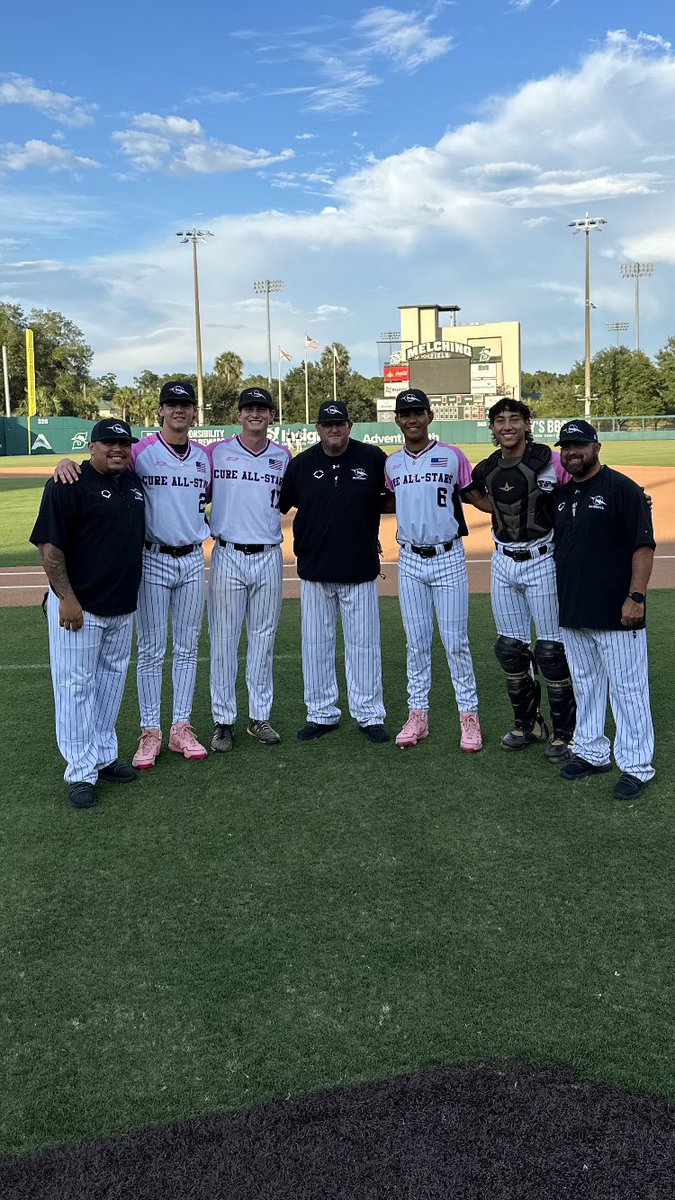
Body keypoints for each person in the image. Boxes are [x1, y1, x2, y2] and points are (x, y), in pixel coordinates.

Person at [53, 380, 212, 768]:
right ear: (160, 410)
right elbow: (101, 462)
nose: (179, 410)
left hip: (192, 558)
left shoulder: (205, 457)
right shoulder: (140, 450)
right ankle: (150, 732)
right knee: (152, 650)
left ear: (194, 412)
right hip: (153, 557)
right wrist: (64, 462)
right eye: (171, 404)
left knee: (188, 648)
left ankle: (181, 727)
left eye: (185, 404)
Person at [30, 419, 146, 808]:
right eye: (109, 443)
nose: (117, 449)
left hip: (121, 605)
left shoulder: (132, 483)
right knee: (75, 688)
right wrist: (65, 596)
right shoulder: (67, 483)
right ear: (91, 447)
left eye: (123, 444)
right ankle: (80, 773)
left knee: (110, 686)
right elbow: (49, 546)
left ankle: (102, 755)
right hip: (80, 606)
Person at [462, 399, 575, 761]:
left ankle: (566, 732)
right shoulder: (489, 466)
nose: (507, 425)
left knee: (552, 651)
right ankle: (528, 723)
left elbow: (583, 483)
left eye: (515, 419)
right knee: (510, 649)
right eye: (500, 420)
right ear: (492, 429)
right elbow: (470, 490)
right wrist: (497, 508)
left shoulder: (549, 459)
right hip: (503, 562)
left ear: (528, 424)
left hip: (543, 558)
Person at [552, 420, 656, 799]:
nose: (572, 452)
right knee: (587, 686)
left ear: (597, 447)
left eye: (579, 445)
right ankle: (592, 751)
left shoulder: (622, 489)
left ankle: (637, 765)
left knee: (628, 691)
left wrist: (637, 596)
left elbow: (643, 546)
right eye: (566, 446)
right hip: (575, 610)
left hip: (618, 610)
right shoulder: (562, 496)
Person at [278, 399, 390, 743]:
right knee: (316, 644)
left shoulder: (373, 459)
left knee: (364, 645)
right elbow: (282, 505)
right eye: (327, 424)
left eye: (339, 423)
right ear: (318, 428)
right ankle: (322, 713)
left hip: (359, 566)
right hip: (314, 568)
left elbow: (392, 499)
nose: (334, 430)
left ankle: (369, 714)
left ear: (350, 425)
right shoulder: (301, 465)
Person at [384, 388, 482, 752]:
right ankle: (417, 715)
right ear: (397, 420)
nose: (411, 419)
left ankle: (468, 717)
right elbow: (388, 500)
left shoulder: (452, 456)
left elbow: (474, 496)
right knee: (416, 642)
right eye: (405, 414)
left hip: (448, 557)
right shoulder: (391, 464)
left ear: (429, 417)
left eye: (417, 413)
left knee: (456, 642)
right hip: (409, 559)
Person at [206, 386, 292, 752]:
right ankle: (223, 721)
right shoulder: (216, 452)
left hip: (270, 554)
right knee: (224, 640)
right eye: (249, 408)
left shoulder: (283, 456)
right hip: (227, 553)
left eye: (262, 408)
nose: (255, 414)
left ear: (271, 415)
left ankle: (259, 717)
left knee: (264, 638)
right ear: (239, 415)